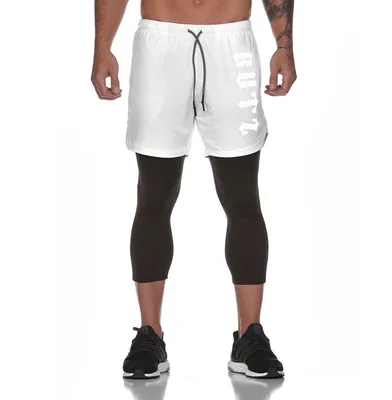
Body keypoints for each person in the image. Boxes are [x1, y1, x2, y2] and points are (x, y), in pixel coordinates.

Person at [91, 0, 296, 380]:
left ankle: (249, 334)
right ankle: (150, 333)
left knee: (242, 196)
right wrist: (102, 47)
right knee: (154, 194)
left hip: (232, 43)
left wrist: (284, 45)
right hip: (160, 42)